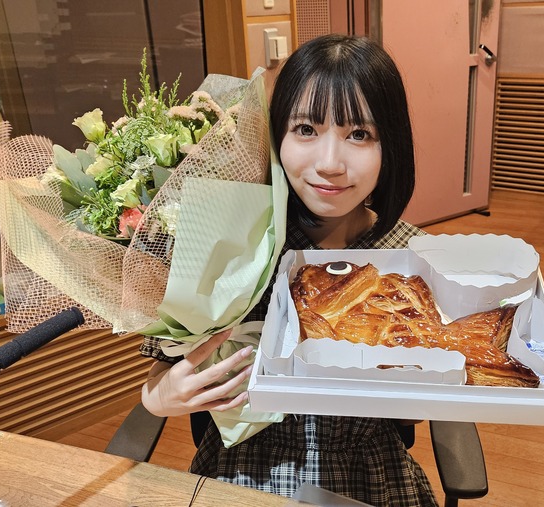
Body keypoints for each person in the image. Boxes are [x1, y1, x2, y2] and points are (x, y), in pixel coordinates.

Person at [139, 34, 436, 506]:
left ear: (391, 145)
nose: (330, 163)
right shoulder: (233, 242)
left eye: (360, 134)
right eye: (305, 129)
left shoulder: (412, 258)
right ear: (276, 134)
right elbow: (159, 378)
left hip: (369, 472)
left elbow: (419, 403)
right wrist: (162, 397)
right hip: (243, 469)